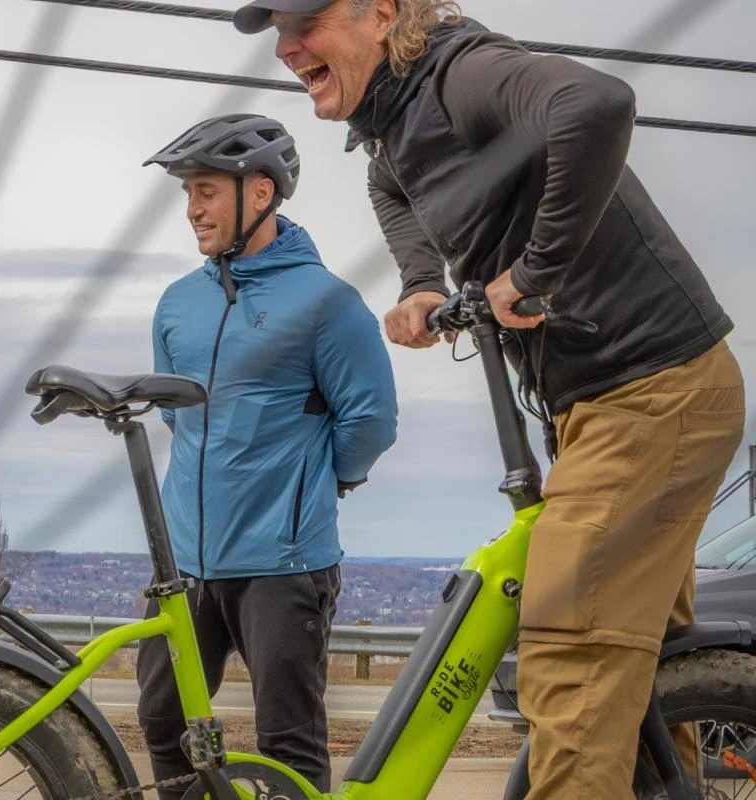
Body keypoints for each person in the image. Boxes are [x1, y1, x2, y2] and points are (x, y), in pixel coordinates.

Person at [233, 1, 746, 795]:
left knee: (572, 655)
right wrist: (421, 284)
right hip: (604, 402)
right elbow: (392, 189)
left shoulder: (461, 74)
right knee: (630, 662)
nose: (287, 46)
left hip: (650, 388)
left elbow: (597, 103)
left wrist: (535, 273)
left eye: (307, 19)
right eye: (279, 31)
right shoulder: (391, 131)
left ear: (382, 14)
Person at [136, 113, 398, 796]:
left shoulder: (326, 302)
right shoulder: (177, 303)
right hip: (185, 562)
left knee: (287, 741)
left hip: (283, 563)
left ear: (260, 192)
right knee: (163, 721)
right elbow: (174, 412)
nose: (192, 210)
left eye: (205, 191)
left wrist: (317, 485)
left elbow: (371, 420)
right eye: (188, 193)